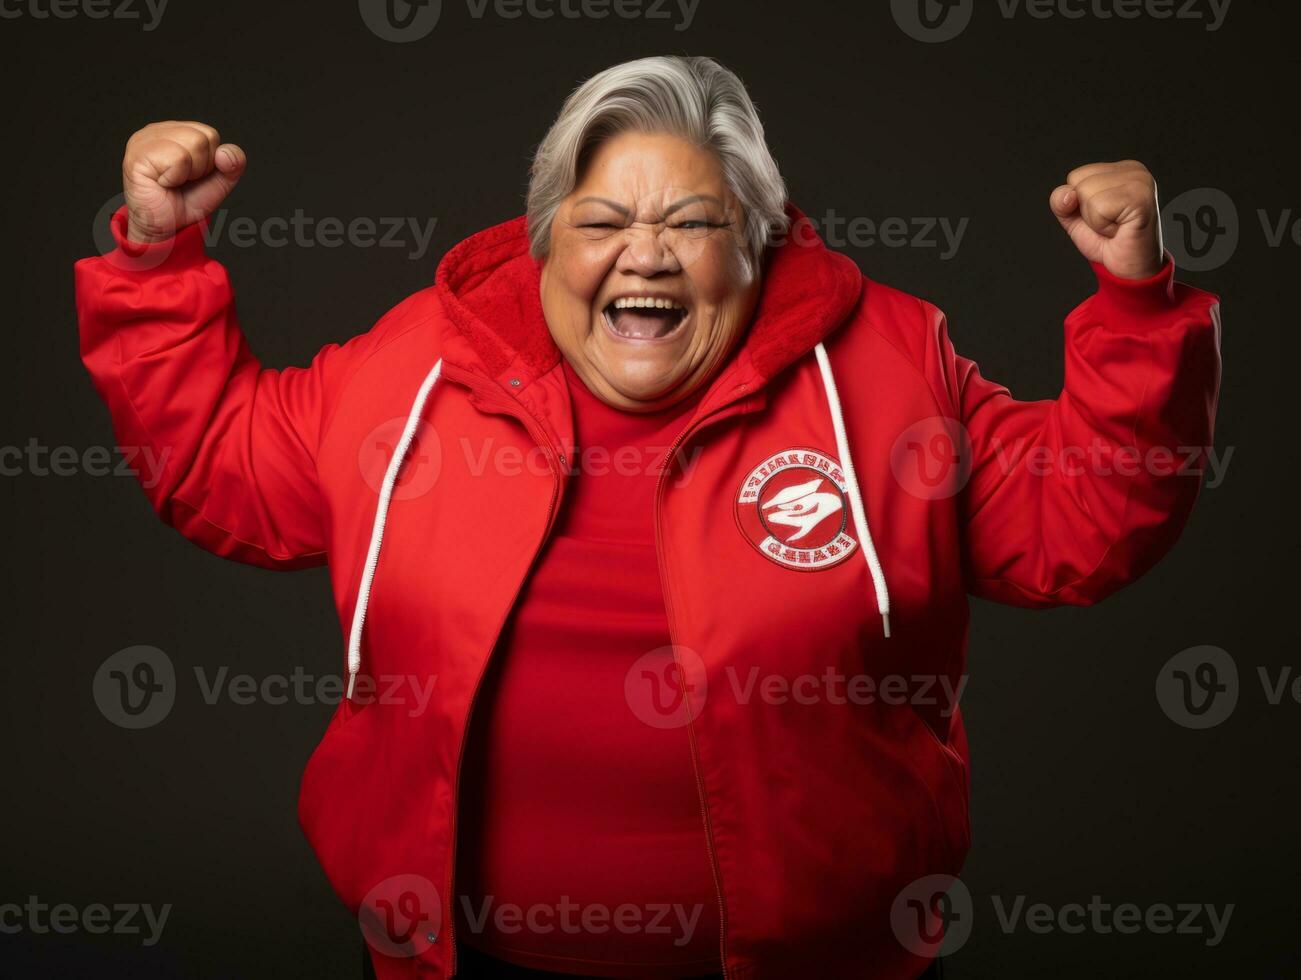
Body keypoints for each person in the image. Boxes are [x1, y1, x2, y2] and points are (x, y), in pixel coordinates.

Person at [75, 55, 1221, 980]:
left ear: (756, 245)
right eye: (602, 220)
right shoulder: (414, 368)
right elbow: (219, 466)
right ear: (543, 246)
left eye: (692, 220)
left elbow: (1084, 514)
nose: (645, 255)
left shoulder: (887, 371)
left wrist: (1134, 305)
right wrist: (158, 258)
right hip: (465, 959)